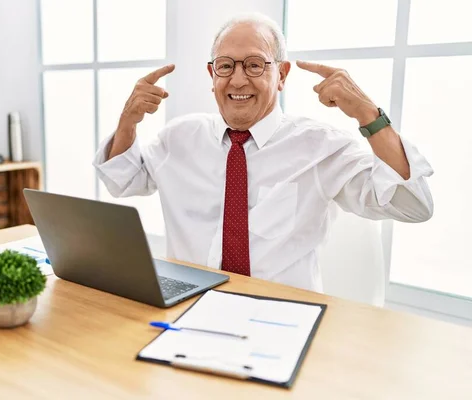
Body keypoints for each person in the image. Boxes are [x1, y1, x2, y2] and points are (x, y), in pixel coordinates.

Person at [92, 12, 433, 292]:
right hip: (185, 311)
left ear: (281, 74)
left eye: (255, 65)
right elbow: (122, 181)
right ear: (212, 75)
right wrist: (128, 122)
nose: (238, 80)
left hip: (282, 319)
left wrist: (368, 114)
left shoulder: (322, 146)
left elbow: (413, 205)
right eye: (226, 66)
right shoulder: (179, 138)